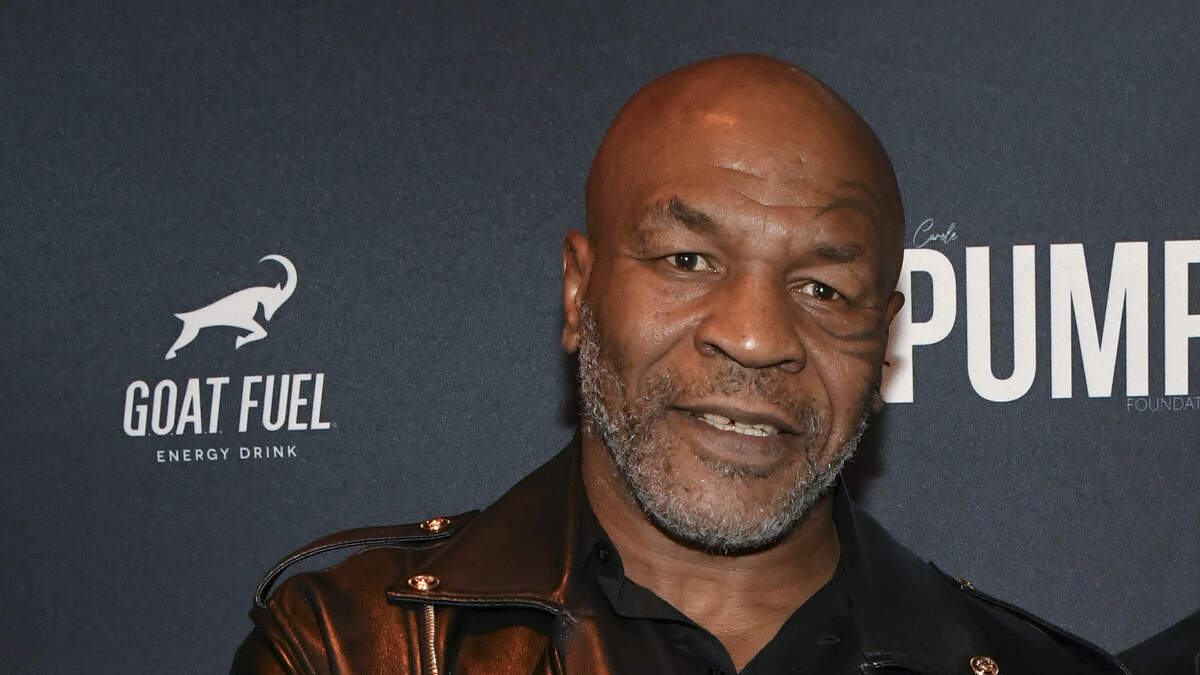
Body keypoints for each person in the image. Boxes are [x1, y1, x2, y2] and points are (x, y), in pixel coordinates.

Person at [231, 54, 1129, 674]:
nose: (756, 336)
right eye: (688, 260)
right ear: (579, 294)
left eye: (823, 287)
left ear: (885, 337)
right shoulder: (357, 647)